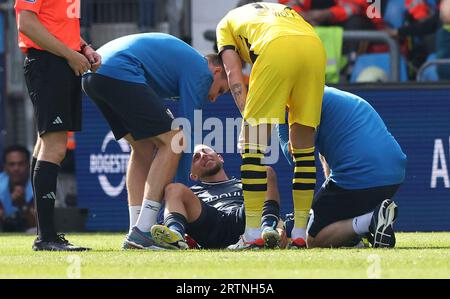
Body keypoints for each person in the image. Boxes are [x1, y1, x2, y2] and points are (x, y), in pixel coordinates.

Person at [82, 33, 230, 250]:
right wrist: (182, 195)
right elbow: (185, 136)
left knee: (142, 147)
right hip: (117, 70)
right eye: (221, 90)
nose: (214, 98)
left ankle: (136, 229)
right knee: (174, 140)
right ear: (217, 72)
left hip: (92, 75)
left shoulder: (181, 66)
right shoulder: (202, 72)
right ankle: (143, 230)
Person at [216, 2, 326, 248]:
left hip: (275, 47)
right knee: (304, 149)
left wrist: (248, 114)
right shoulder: (279, 7)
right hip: (315, 46)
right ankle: (299, 233)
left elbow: (233, 73)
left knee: (251, 146)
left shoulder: (226, 22)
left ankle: (252, 233)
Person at [15, 0, 101, 251]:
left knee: (44, 144)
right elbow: (26, 23)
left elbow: (60, 27)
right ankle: (46, 238)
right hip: (48, 64)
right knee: (54, 146)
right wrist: (69, 53)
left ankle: (46, 235)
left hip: (60, 63)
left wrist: (84, 47)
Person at [278, 86, 407, 248]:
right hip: (395, 173)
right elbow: (324, 157)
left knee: (314, 238)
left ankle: (371, 220)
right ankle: (360, 230)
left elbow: (294, 153)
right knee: (332, 215)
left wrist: (279, 119)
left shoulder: (302, 102)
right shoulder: (322, 94)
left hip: (361, 175)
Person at [149, 144, 286, 250]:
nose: (203, 155)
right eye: (196, 157)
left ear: (220, 157)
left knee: (265, 172)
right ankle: (177, 237)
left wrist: (279, 228)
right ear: (193, 175)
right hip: (211, 225)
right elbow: (163, 220)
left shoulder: (245, 184)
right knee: (173, 189)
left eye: (206, 151)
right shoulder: (190, 194)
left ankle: (268, 229)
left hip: (246, 220)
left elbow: (265, 205)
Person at [0, 145, 35, 232]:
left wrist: (23, 206)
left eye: (21, 164)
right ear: (5, 167)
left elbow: (41, 225)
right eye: (12, 164)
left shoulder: (39, 184)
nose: (16, 168)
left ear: (28, 165)